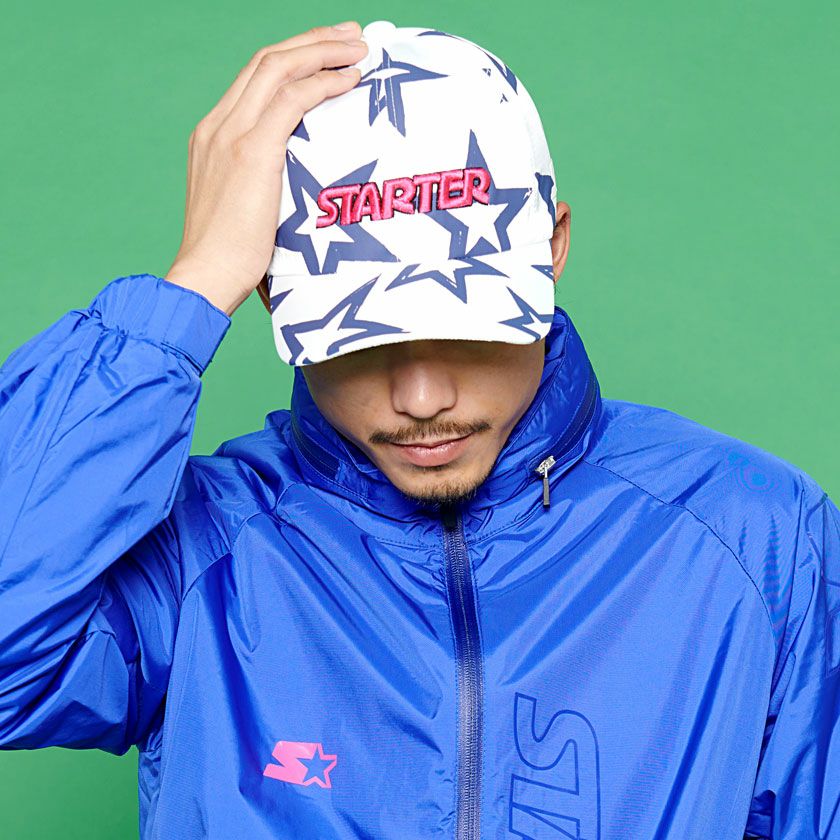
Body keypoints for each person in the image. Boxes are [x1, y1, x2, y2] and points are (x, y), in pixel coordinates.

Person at [0, 17, 837, 840]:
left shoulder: (756, 534)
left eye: (466, 324)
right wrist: (195, 282)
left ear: (551, 249)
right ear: (269, 294)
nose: (423, 396)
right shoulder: (205, 554)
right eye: (359, 341)